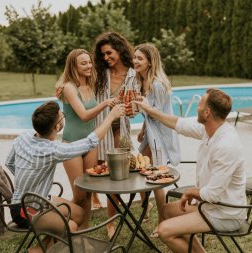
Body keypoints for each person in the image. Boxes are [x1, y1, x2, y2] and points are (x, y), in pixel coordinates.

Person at [134, 88, 246, 253]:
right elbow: (177, 123)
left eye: (200, 103)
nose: (196, 107)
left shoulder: (226, 145)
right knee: (166, 210)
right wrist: (148, 109)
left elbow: (214, 195)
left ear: (207, 112)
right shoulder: (208, 129)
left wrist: (191, 193)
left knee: (165, 230)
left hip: (225, 213)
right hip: (210, 206)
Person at [5, 100, 125, 253]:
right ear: (56, 127)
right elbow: (89, 143)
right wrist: (110, 117)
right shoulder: (52, 150)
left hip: (37, 199)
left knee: (79, 214)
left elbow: (9, 163)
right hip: (24, 210)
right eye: (62, 117)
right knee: (72, 227)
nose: (63, 117)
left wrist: (28, 181)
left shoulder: (24, 137)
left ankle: (38, 250)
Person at [56, 49, 116, 229]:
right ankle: (59, 221)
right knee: (79, 194)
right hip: (72, 146)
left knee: (89, 192)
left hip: (90, 144)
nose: (89, 65)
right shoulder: (68, 87)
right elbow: (83, 115)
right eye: (84, 63)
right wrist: (106, 104)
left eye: (89, 62)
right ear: (73, 66)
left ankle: (84, 230)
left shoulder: (90, 85)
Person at [93, 31, 140, 238]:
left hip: (121, 127)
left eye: (109, 53)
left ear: (120, 50)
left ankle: (111, 221)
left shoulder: (133, 74)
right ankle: (108, 213)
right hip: (99, 127)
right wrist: (61, 85)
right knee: (99, 174)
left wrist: (133, 109)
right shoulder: (100, 73)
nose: (106, 58)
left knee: (118, 175)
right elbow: (74, 72)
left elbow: (137, 107)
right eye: (103, 55)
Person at [133, 43, 181, 237]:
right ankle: (147, 205)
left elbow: (159, 115)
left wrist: (148, 124)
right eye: (134, 58)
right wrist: (144, 129)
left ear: (150, 62)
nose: (135, 61)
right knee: (139, 169)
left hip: (161, 136)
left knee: (156, 179)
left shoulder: (157, 85)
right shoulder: (141, 81)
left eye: (139, 59)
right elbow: (150, 114)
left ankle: (163, 221)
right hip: (151, 133)